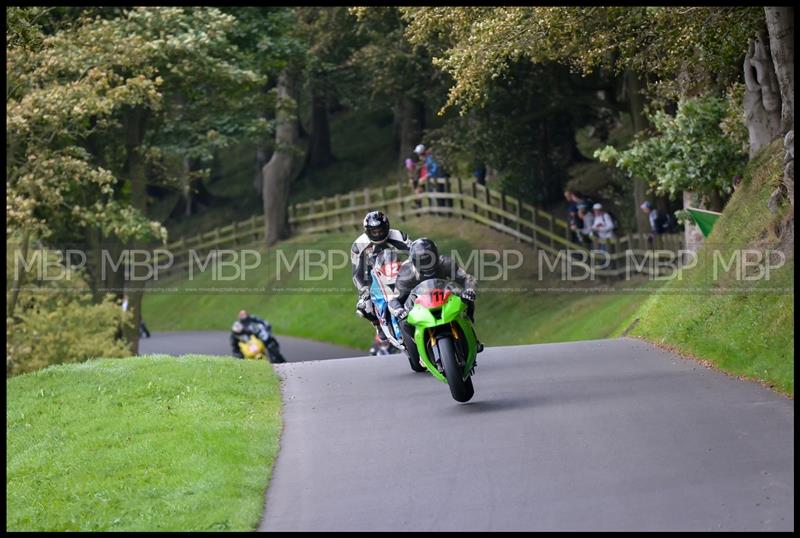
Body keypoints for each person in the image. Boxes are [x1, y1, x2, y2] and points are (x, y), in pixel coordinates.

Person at [388, 237, 483, 368]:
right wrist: (399, 310)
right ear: (414, 261)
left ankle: (471, 333)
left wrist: (469, 290)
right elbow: (394, 298)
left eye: (430, 258)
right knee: (403, 320)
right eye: (422, 261)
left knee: (467, 299)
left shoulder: (446, 263)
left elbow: (466, 278)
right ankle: (419, 348)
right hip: (418, 303)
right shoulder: (406, 272)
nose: (427, 263)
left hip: (445, 295)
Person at [352, 211, 412, 341]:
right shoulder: (359, 245)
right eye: (374, 231)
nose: (378, 234)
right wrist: (364, 290)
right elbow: (357, 273)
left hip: (398, 271)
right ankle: (378, 324)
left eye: (380, 230)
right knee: (364, 307)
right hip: (373, 277)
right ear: (367, 231)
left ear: (387, 227)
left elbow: (415, 252)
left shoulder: (398, 235)